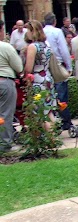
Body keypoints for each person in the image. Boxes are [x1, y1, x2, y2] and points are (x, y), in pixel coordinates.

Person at [23, 20, 57, 131]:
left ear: (33, 31)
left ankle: (49, 136)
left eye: (28, 30)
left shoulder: (33, 46)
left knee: (39, 110)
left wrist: (23, 74)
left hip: (37, 79)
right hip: (47, 77)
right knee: (48, 110)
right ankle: (54, 136)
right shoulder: (46, 45)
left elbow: (29, 68)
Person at [43, 13, 73, 131]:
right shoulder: (57, 32)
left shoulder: (41, 32)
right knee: (61, 96)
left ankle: (51, 120)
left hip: (44, 68)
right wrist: (69, 67)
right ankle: (65, 121)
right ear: (54, 21)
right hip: (58, 66)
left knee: (48, 95)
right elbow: (63, 50)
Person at [0, 19, 23, 152]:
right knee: (5, 114)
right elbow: (19, 66)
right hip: (4, 81)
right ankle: (4, 144)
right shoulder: (5, 47)